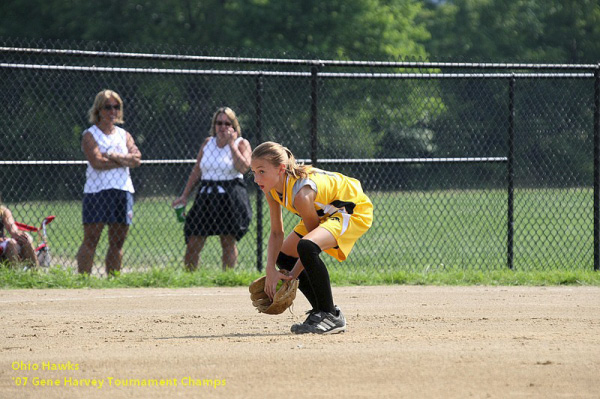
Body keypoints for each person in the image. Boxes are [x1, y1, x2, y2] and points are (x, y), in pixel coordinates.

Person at [250, 141, 373, 335]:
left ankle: (329, 314)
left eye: (261, 171)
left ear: (281, 169)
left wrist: (292, 276)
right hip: (323, 212)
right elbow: (276, 233)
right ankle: (322, 311)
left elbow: (311, 244)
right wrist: (271, 269)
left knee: (306, 247)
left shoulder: (301, 194)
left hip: (351, 211)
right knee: (284, 257)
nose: (256, 178)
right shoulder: (271, 190)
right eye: (254, 172)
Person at [172, 107, 252, 271]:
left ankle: (227, 277)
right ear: (214, 125)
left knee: (227, 241)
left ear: (233, 125)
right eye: (219, 123)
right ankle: (189, 277)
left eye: (226, 123)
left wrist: (231, 144)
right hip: (206, 194)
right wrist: (185, 196)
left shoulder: (241, 143)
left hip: (229, 195)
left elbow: (244, 167)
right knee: (194, 239)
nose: (222, 127)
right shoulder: (208, 143)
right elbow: (197, 170)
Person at [76, 89, 142, 275]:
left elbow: (136, 159)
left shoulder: (123, 134)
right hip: (97, 192)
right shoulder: (90, 134)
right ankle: (83, 281)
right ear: (98, 109)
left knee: (117, 242)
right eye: (108, 107)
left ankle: (113, 282)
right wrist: (123, 160)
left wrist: (113, 155)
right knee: (91, 240)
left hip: (122, 190)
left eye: (116, 107)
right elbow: (97, 162)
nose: (112, 111)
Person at [0, 197, 39, 268]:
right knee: (12, 244)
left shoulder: (3, 210)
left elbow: (11, 226)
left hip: (2, 242)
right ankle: (15, 275)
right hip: (2, 241)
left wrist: (16, 234)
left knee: (25, 239)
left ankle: (35, 273)